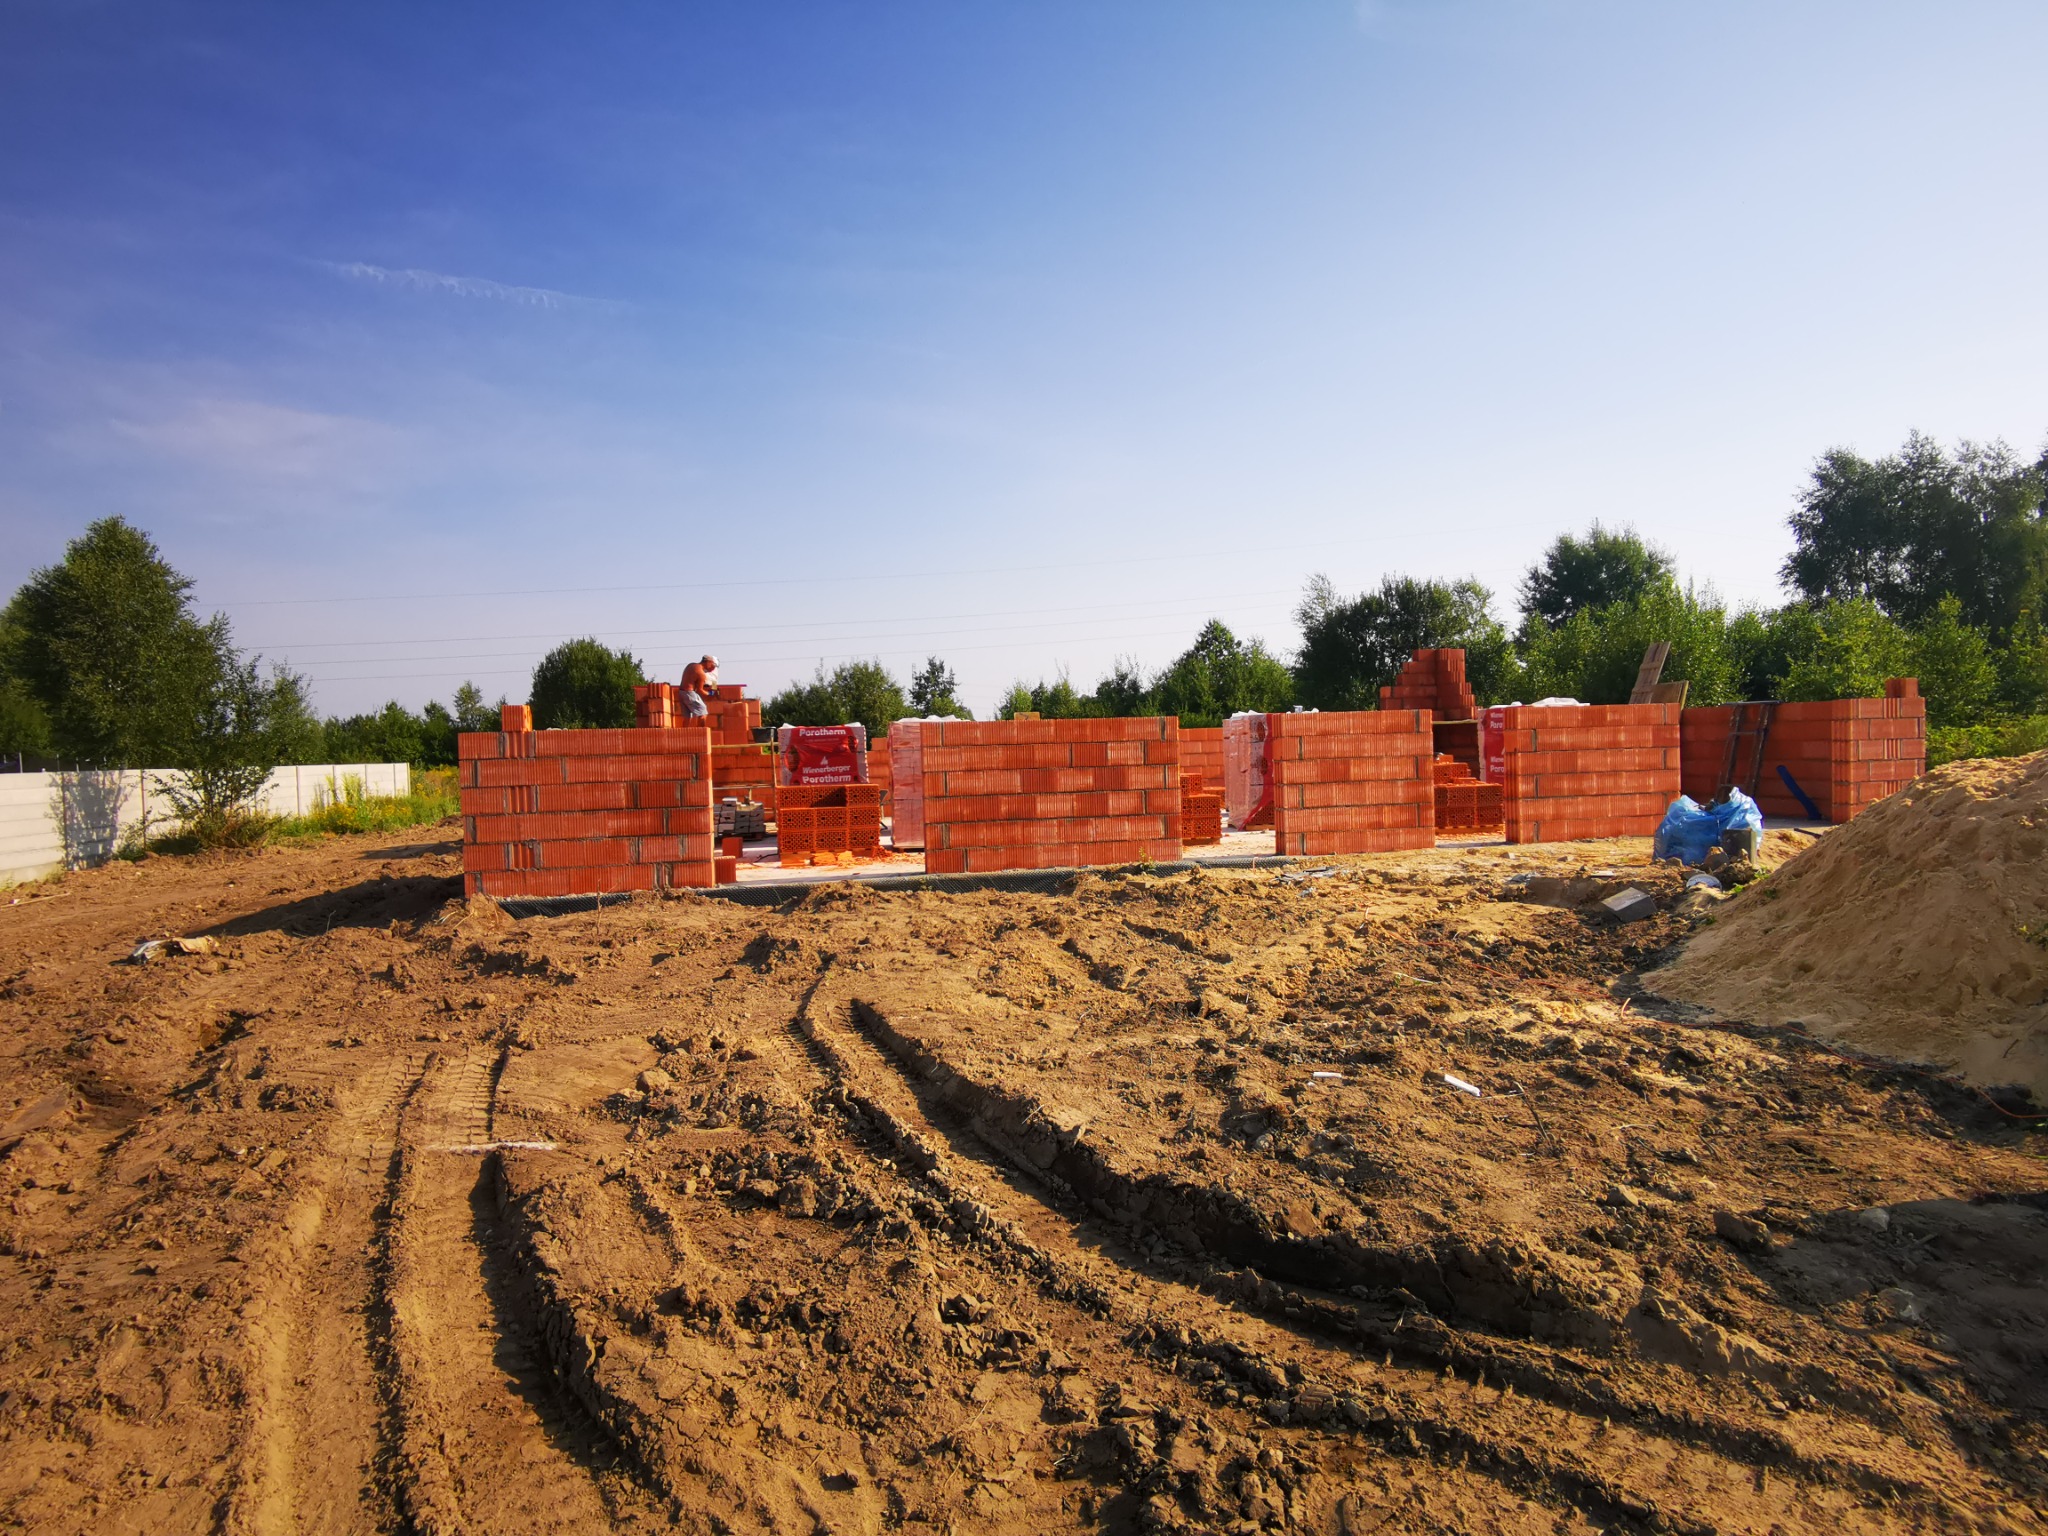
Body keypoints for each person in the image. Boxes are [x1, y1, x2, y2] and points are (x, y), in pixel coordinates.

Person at [680, 655, 719, 720]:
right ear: (708, 662)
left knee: (687, 717)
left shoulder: (691, 665)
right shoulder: (701, 673)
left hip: (681, 692)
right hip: (690, 693)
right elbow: (700, 690)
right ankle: (701, 727)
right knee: (703, 712)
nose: (713, 668)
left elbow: (713, 680)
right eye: (713, 665)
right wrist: (711, 693)